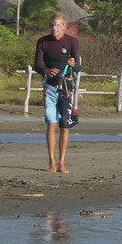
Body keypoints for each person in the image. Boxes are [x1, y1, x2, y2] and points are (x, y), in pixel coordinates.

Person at [34, 14, 81, 173]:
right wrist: (45, 70)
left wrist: (73, 64)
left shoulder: (72, 42)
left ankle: (62, 163)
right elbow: (36, 66)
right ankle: (51, 162)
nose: (54, 28)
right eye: (51, 25)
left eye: (57, 25)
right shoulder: (43, 42)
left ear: (63, 26)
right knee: (51, 122)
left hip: (66, 87)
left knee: (64, 125)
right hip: (50, 86)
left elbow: (78, 67)